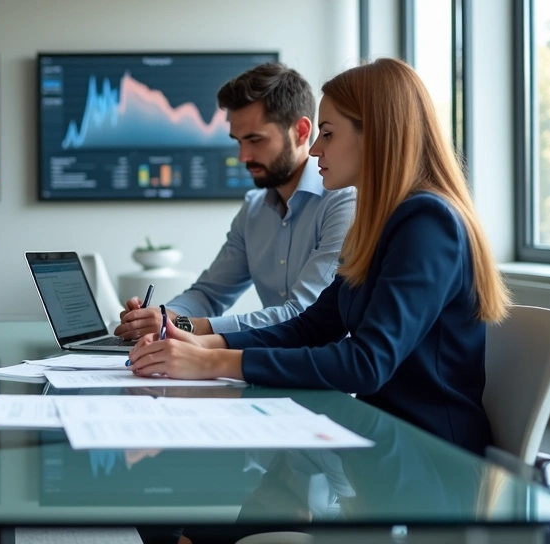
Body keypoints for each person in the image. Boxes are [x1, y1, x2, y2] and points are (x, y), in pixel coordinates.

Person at [126, 58, 511, 455]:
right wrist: (207, 345)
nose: (313, 150)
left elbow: (366, 364)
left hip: (431, 460)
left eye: (326, 134)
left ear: (376, 135)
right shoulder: (381, 222)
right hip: (381, 440)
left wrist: (213, 363)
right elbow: (310, 327)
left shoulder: (427, 223)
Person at [114, 62, 356, 340]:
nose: (243, 156)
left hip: (328, 374)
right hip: (269, 366)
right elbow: (209, 294)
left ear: (301, 131)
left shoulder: (343, 201)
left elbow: (305, 313)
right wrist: (157, 317)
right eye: (238, 141)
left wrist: (184, 326)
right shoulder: (254, 210)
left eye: (255, 140)